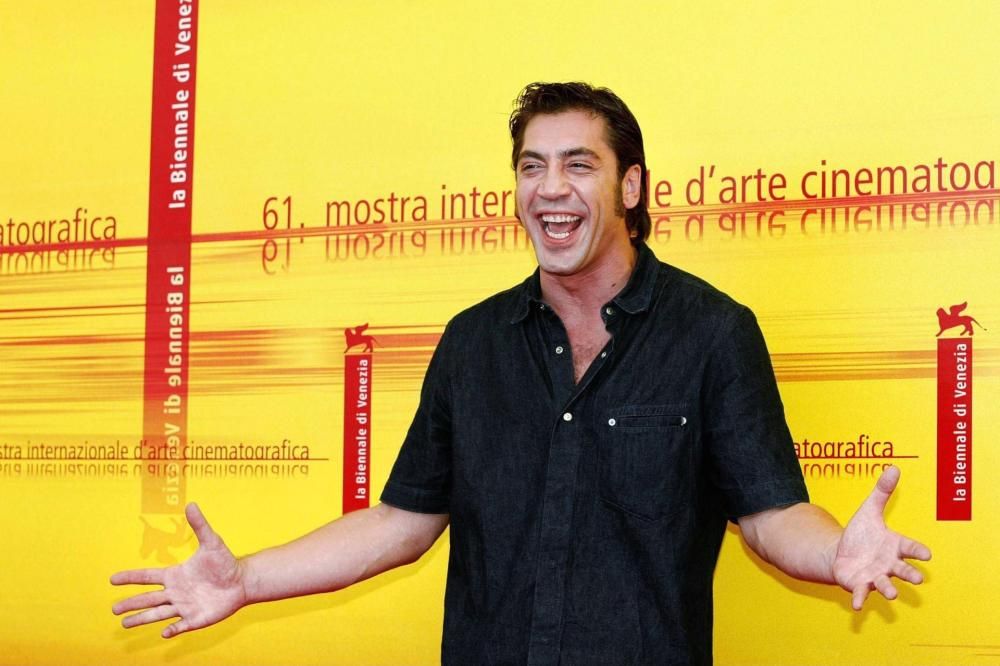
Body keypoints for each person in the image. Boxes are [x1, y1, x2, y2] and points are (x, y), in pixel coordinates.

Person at [112, 82, 931, 665]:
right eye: (532, 167)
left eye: (578, 165)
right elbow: (400, 522)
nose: (550, 189)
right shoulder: (473, 344)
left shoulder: (712, 333)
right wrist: (247, 578)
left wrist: (836, 553)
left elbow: (771, 513)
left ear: (630, 186)